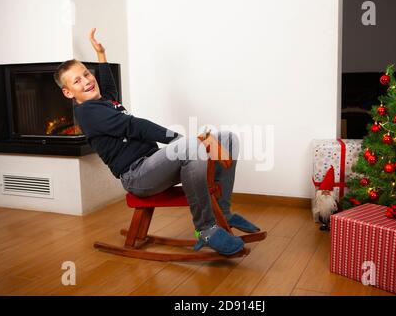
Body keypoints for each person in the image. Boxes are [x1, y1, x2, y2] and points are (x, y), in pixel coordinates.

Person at [53, 28, 260, 256]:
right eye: (77, 81)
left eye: (86, 74)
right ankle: (206, 229)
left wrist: (101, 55)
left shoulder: (104, 102)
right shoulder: (88, 113)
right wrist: (182, 140)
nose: (86, 81)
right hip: (137, 176)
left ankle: (223, 212)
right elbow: (136, 126)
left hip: (153, 164)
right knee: (191, 146)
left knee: (227, 139)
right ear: (68, 93)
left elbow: (109, 87)